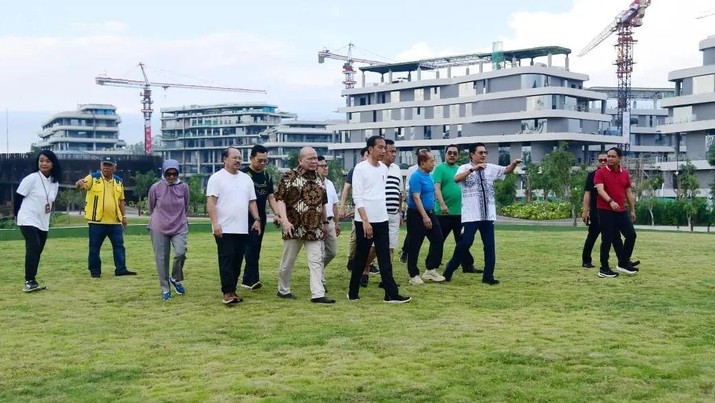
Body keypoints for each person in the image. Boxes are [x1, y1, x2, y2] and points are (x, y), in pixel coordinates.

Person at [442, 143, 522, 285]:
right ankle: (449, 270)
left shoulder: (490, 168)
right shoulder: (464, 168)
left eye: (485, 152)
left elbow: (506, 170)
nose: (483, 155)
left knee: (489, 246)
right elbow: (456, 179)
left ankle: (488, 276)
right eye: (480, 152)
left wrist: (514, 164)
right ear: (472, 154)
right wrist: (473, 169)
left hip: (487, 215)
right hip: (471, 215)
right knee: (465, 243)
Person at [348, 135, 411, 303]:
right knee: (361, 257)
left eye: (385, 148)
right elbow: (357, 197)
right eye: (380, 147)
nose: (384, 151)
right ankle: (353, 292)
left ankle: (391, 293)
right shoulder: (360, 169)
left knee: (384, 257)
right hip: (364, 221)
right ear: (370, 149)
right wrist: (365, 221)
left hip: (382, 219)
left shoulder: (383, 168)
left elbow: (380, 194)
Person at [275, 147, 335, 304]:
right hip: (293, 227)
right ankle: (283, 290)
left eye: (315, 158)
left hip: (314, 228)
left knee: (316, 261)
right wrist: (285, 221)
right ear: (300, 160)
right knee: (288, 262)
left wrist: (325, 223)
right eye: (310, 159)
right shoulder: (289, 177)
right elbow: (280, 199)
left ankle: (318, 294)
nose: (314, 161)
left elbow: (323, 204)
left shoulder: (320, 179)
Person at [206, 147, 262, 305]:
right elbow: (211, 203)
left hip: (242, 228)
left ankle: (232, 289)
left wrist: (257, 219)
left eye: (239, 158)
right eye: (234, 157)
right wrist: (215, 223)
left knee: (237, 260)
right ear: (225, 159)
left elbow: (252, 201)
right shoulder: (216, 178)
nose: (238, 160)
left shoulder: (246, 179)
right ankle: (227, 292)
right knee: (227, 259)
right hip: (224, 228)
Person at [75, 156, 137, 278]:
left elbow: (121, 200)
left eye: (109, 165)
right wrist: (78, 183)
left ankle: (121, 269)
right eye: (105, 165)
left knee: (119, 246)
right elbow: (80, 186)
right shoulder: (93, 178)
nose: (107, 168)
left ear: (115, 167)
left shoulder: (118, 181)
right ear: (101, 166)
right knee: (94, 248)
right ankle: (95, 271)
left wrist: (124, 216)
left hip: (115, 222)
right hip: (97, 222)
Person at [14, 150, 61, 292]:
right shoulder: (31, 179)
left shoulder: (54, 182)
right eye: (41, 161)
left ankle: (32, 280)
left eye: (47, 161)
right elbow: (18, 197)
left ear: (53, 164)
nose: (44, 163)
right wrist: (16, 215)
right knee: (33, 247)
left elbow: (50, 202)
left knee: (37, 251)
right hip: (27, 219)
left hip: (43, 221)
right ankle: (29, 281)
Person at [433, 144, 480, 274]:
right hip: (443, 213)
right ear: (445, 154)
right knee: (438, 241)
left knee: (463, 241)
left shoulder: (461, 169)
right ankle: (432, 266)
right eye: (450, 153)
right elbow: (436, 188)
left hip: (460, 213)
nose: (452, 155)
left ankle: (467, 265)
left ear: (458, 155)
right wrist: (442, 204)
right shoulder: (440, 169)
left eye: (455, 153)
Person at [147, 159, 189, 301]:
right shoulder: (155, 188)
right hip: (159, 226)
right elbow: (151, 206)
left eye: (174, 174)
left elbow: (186, 205)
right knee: (161, 259)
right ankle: (165, 289)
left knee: (180, 252)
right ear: (164, 173)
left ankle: (175, 278)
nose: (171, 177)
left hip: (179, 225)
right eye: (168, 174)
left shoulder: (183, 187)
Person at [594, 147, 639, 278]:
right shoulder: (600, 173)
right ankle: (604, 269)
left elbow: (628, 193)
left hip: (621, 210)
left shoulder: (624, 173)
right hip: (605, 210)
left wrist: (632, 210)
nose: (609, 159)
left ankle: (623, 263)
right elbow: (600, 190)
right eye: (608, 156)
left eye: (613, 156)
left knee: (631, 235)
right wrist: (610, 201)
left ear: (619, 158)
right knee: (607, 239)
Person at [240, 144, 281, 290]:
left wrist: (277, 214)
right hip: (246, 217)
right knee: (251, 247)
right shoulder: (243, 175)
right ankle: (252, 279)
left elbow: (271, 197)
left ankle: (248, 279)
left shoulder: (267, 176)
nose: (262, 163)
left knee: (256, 248)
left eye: (265, 161)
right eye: (260, 160)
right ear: (251, 158)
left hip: (261, 217)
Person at [405, 149, 445, 285]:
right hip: (417, 215)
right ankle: (413, 275)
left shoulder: (429, 176)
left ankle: (430, 269)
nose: (434, 163)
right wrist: (424, 216)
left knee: (438, 239)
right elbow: (416, 197)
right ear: (422, 163)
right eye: (431, 161)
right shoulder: (416, 177)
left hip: (430, 212)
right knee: (415, 244)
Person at [338, 147, 368, 273]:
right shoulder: (355, 170)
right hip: (359, 209)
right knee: (356, 236)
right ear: (362, 157)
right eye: (367, 155)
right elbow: (346, 189)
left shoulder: (378, 169)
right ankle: (351, 260)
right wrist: (342, 207)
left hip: (374, 210)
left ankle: (368, 264)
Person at [580, 152, 611, 269]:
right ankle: (586, 260)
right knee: (592, 236)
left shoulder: (612, 175)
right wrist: (585, 211)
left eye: (605, 160)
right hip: (596, 211)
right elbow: (587, 194)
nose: (603, 162)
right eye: (600, 160)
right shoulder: (592, 175)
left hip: (610, 211)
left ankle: (623, 260)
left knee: (614, 237)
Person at [399, 148, 430, 264]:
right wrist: (417, 189)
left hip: (428, 206)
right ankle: (406, 251)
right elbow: (407, 186)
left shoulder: (431, 169)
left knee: (432, 233)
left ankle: (433, 256)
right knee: (413, 232)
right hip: (415, 204)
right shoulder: (412, 170)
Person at [317, 155, 340, 291]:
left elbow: (335, 204)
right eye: (322, 166)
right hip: (318, 222)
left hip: (330, 221)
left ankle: (316, 269)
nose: (325, 168)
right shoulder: (313, 184)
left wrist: (337, 223)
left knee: (332, 252)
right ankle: (320, 280)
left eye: (326, 165)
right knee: (319, 253)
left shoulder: (330, 183)